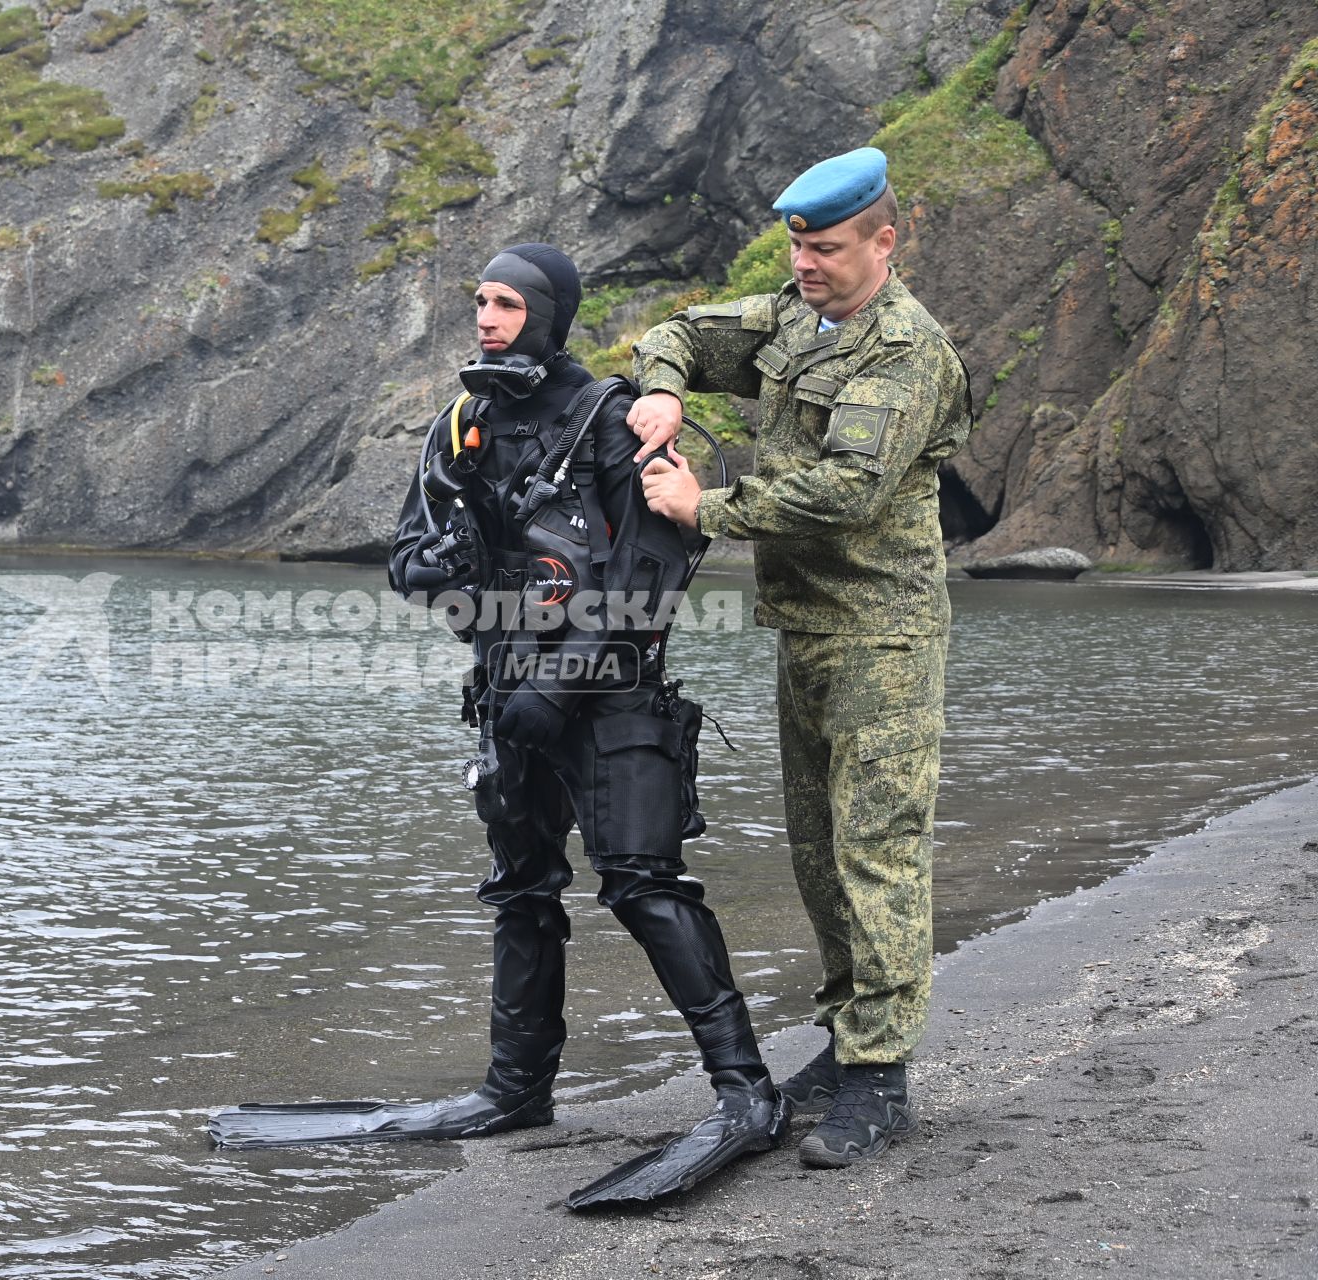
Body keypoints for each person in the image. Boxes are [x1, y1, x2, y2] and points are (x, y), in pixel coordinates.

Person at [208, 243, 789, 1209]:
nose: (485, 317)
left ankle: (745, 1091)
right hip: (503, 693)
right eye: (478, 300)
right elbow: (402, 556)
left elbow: (647, 581)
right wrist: (441, 570)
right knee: (521, 887)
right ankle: (517, 1090)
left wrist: (558, 685)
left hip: (610, 699)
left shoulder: (611, 422)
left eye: (507, 303)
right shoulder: (463, 422)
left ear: (549, 315)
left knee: (644, 886)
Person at [627, 147, 972, 1169]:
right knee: (818, 853)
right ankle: (844, 1038)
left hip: (885, 635)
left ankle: (883, 1077)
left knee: (878, 852)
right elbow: (680, 329)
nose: (805, 263)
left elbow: (847, 489)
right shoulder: (792, 315)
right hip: (807, 628)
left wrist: (706, 507)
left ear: (882, 240)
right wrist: (664, 392)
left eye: (825, 247)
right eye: (796, 244)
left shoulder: (907, 352)